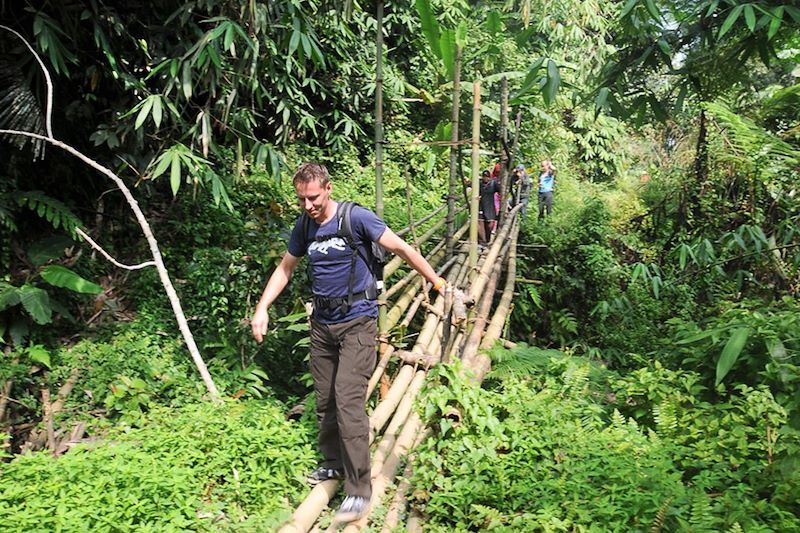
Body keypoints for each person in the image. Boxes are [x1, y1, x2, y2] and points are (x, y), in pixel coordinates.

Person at [250, 162, 446, 523]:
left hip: (358, 321)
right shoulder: (305, 225)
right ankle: (332, 465)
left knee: (348, 400)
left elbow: (402, 248)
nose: (308, 205)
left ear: (327, 188)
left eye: (313, 197)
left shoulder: (356, 218)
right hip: (322, 324)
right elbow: (285, 268)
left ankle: (359, 490)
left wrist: (437, 282)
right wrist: (262, 308)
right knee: (325, 399)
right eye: (301, 199)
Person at [478, 169, 499, 245]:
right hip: (481, 206)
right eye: (484, 176)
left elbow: (501, 191)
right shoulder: (479, 184)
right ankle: (482, 242)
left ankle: (487, 238)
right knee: (480, 224)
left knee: (490, 225)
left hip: (490, 207)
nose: (485, 178)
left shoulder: (493, 184)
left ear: (490, 177)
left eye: (487, 177)